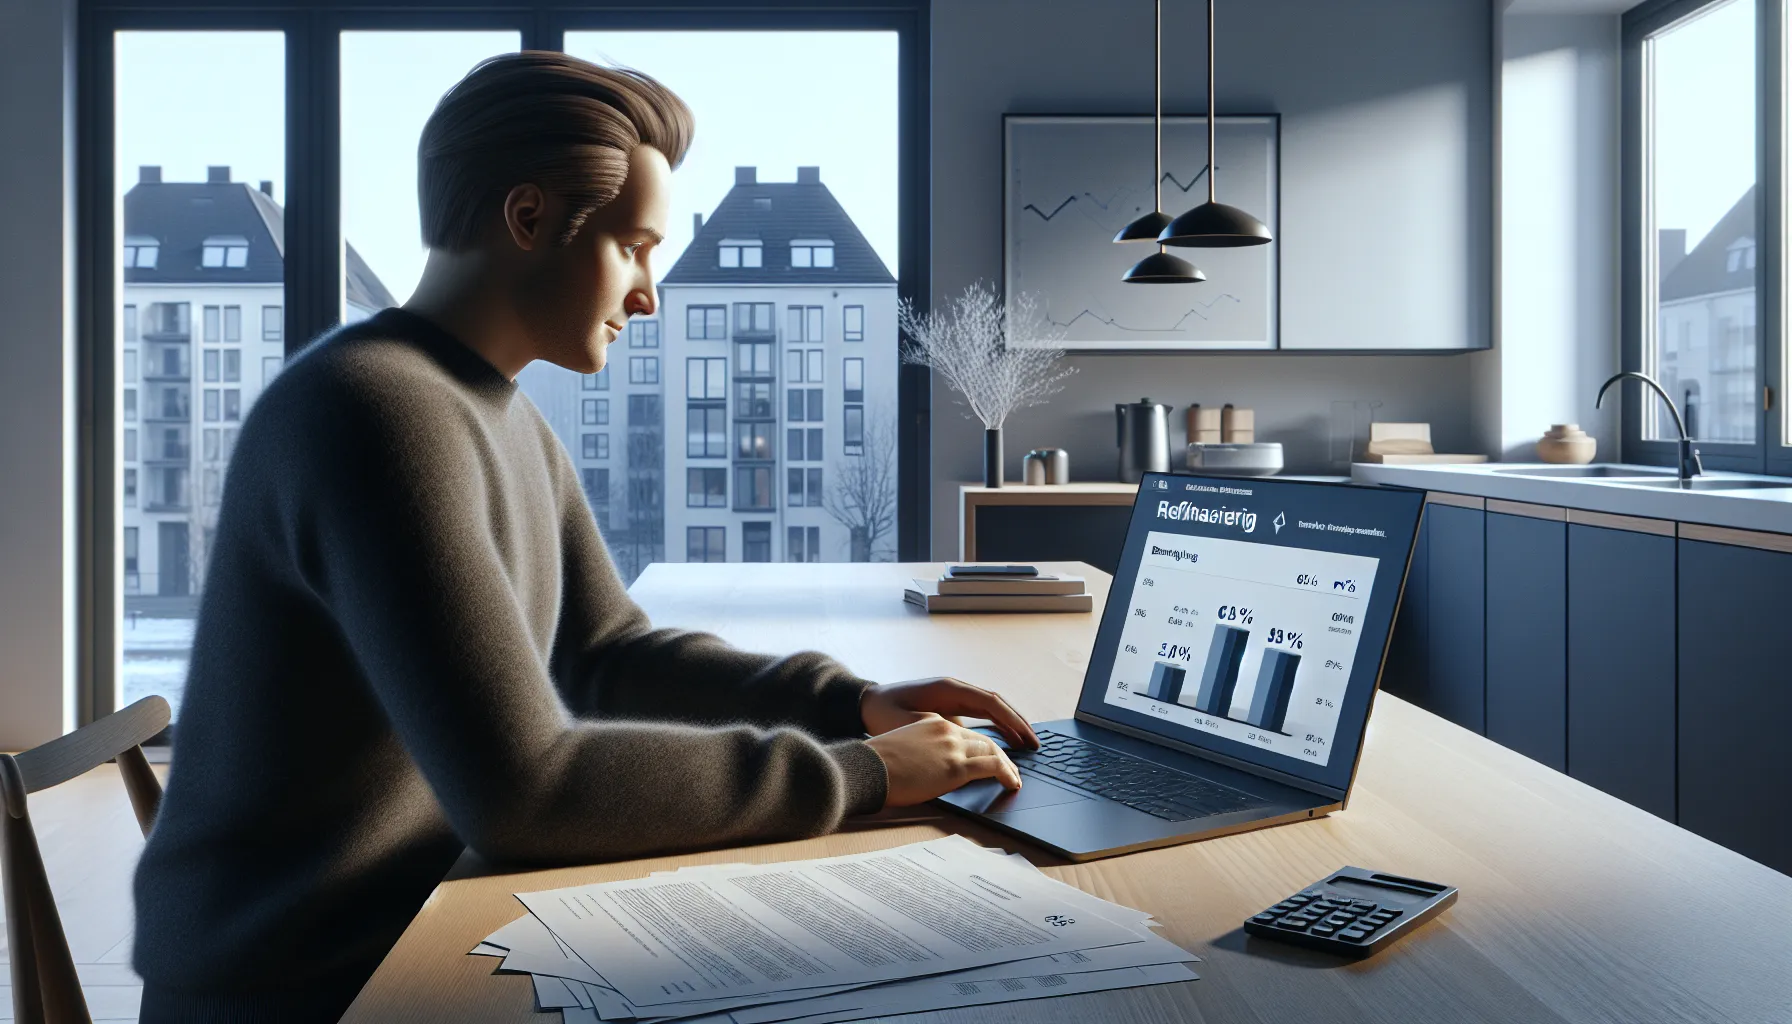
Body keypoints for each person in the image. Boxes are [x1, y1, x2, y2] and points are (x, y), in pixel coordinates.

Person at [133, 51, 1033, 1024]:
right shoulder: (374, 414)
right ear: (527, 219)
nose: (649, 293)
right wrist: (859, 776)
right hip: (311, 985)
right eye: (634, 247)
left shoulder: (491, 410)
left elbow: (607, 653)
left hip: (425, 924)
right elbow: (527, 793)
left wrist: (849, 704)